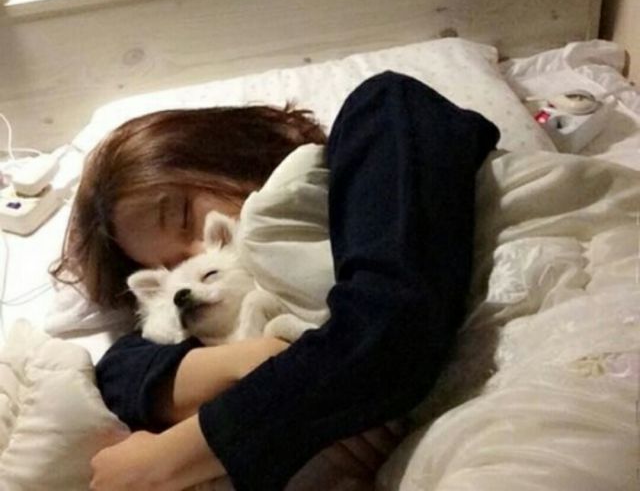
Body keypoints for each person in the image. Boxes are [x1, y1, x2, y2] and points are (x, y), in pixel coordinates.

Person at [54, 72, 500, 491]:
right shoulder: (242, 307)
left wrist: (171, 456)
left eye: (185, 216)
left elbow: (390, 329)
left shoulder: (382, 115)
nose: (201, 251)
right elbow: (121, 373)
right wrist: (268, 361)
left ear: (221, 151)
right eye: (175, 265)